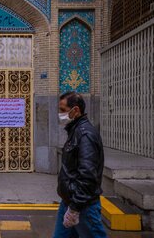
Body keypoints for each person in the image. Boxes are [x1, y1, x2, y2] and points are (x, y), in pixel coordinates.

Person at [53, 91, 107, 238]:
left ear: (75, 110)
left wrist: (75, 208)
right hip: (69, 202)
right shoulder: (75, 131)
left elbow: (88, 176)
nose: (60, 114)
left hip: (83, 206)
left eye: (63, 110)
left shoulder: (85, 135)